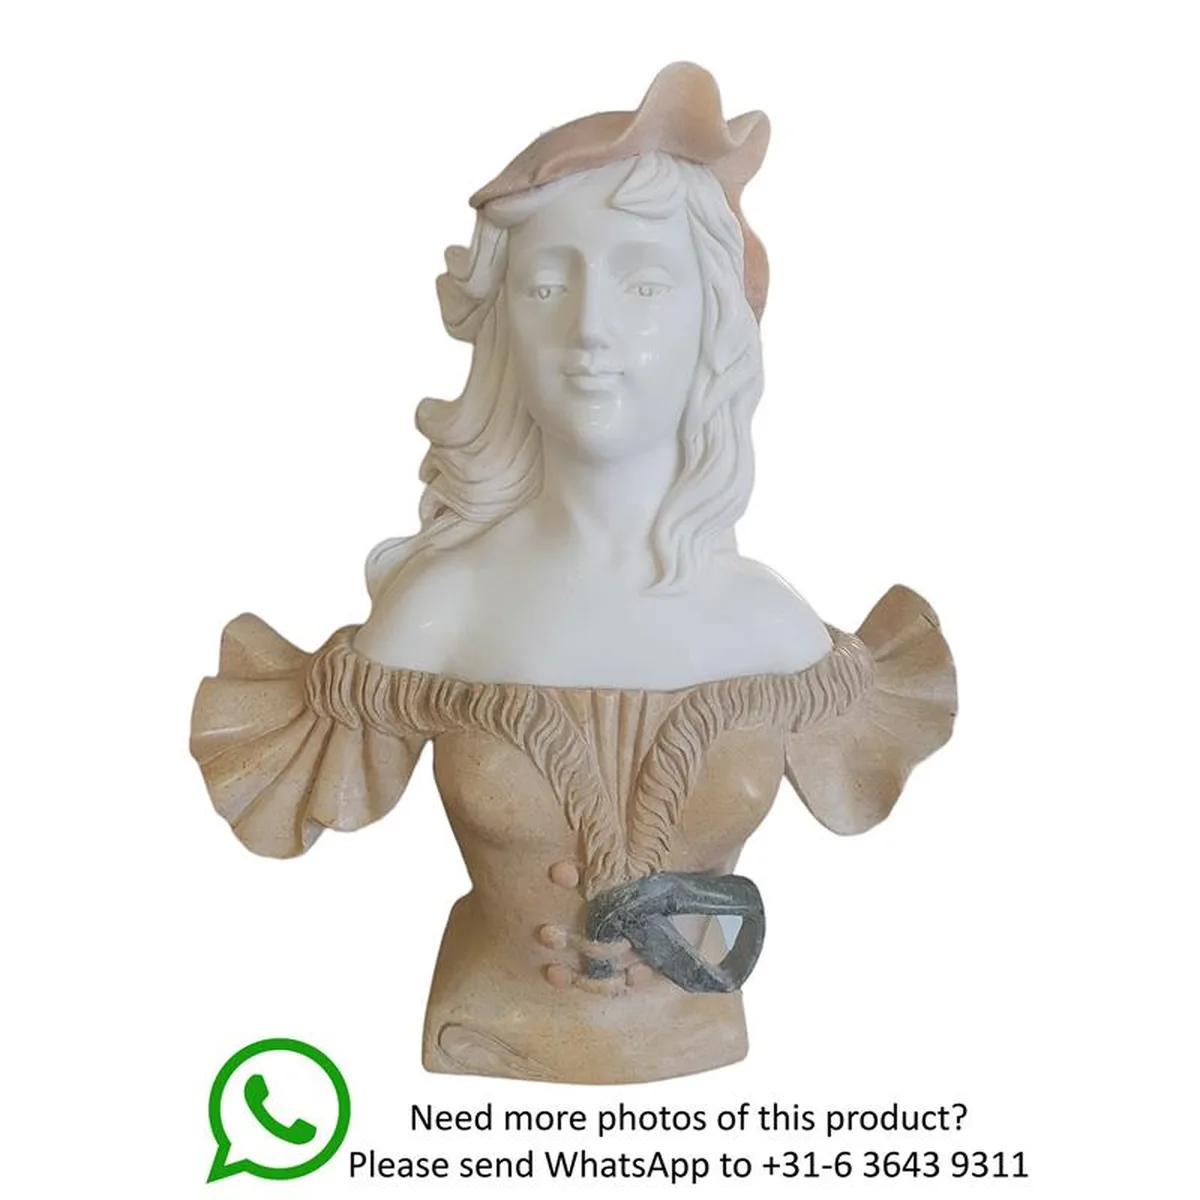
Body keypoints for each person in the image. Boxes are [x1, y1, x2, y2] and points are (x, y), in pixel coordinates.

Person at [190, 63, 956, 1084]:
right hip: (484, 1027)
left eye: (644, 284)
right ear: (502, 320)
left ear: (716, 320)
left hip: (700, 1034)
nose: (591, 329)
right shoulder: (437, 618)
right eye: (548, 285)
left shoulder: (773, 633)